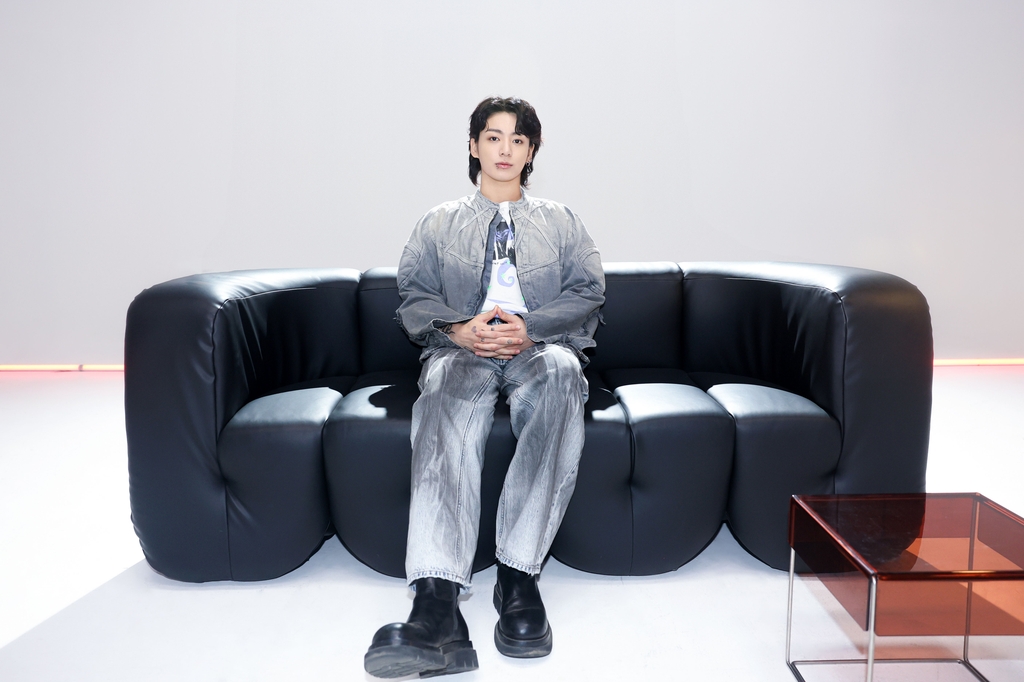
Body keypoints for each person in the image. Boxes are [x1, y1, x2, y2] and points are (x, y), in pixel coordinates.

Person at [364, 96, 605, 678]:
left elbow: (589, 288)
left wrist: (533, 327)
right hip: (461, 349)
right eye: (493, 137)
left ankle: (518, 578)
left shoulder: (562, 221)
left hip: (539, 348)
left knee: (564, 376)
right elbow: (413, 295)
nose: (505, 149)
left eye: (518, 140)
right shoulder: (438, 222)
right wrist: (458, 329)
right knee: (442, 392)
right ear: (474, 146)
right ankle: (437, 605)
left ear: (531, 152)